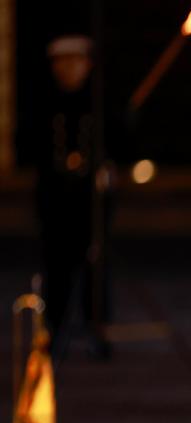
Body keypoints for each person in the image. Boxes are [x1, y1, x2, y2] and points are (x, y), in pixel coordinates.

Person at [33, 32, 114, 360]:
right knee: (57, 264)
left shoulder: (98, 102)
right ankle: (54, 329)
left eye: (76, 62)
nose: (69, 70)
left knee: (95, 262)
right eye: (62, 63)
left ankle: (96, 328)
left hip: (90, 198)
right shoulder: (44, 102)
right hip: (56, 196)